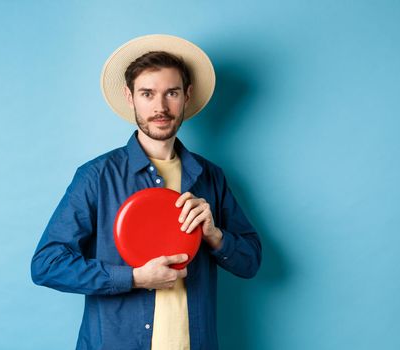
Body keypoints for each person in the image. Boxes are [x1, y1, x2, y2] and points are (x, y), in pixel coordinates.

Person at [31, 34, 262, 350]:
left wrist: (215, 236)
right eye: (147, 94)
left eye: (171, 93)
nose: (160, 107)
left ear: (187, 95)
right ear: (130, 97)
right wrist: (134, 278)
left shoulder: (211, 177)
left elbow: (250, 262)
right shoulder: (96, 176)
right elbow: (47, 264)